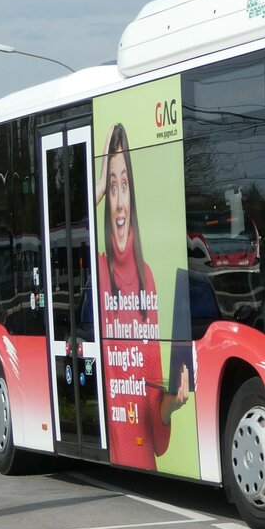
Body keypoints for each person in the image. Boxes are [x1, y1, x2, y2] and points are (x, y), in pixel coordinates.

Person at [95, 122, 189, 471]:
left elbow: (154, 415)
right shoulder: (97, 269)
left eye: (124, 185)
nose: (119, 202)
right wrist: (99, 185)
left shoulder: (147, 277)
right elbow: (60, 232)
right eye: (113, 187)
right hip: (109, 453)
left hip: (142, 463)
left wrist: (170, 405)